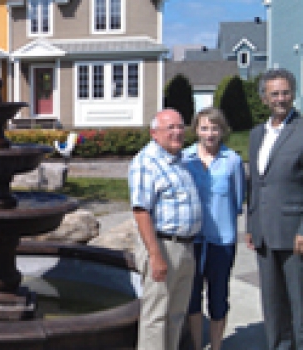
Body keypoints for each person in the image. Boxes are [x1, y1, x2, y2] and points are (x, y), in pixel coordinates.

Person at [128, 108, 202, 350]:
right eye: (170, 127)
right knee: (156, 316)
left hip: (185, 246)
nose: (178, 132)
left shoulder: (181, 159)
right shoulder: (146, 163)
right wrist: (155, 255)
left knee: (176, 313)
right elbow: (141, 211)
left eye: (180, 126)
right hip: (162, 246)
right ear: (154, 134)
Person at [246, 68, 303, 349]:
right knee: (272, 303)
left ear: (293, 94)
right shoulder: (257, 134)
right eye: (275, 94)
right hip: (264, 233)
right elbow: (255, 184)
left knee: (299, 303)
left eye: (286, 92)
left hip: (295, 234)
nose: (281, 98)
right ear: (264, 99)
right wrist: (250, 225)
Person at [182, 107, 246, 350]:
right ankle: (199, 345)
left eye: (215, 128)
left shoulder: (233, 161)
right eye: (205, 128)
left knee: (218, 298)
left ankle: (217, 346)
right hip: (194, 240)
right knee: (193, 298)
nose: (210, 133)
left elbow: (238, 199)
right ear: (196, 130)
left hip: (222, 240)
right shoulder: (186, 159)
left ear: (223, 130)